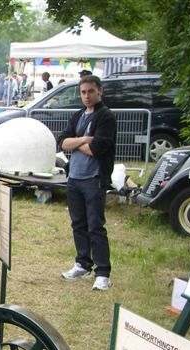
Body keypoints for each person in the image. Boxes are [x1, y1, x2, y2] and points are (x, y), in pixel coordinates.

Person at [58, 75, 116, 291]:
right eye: (83, 92)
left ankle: (103, 273)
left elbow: (96, 148)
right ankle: (83, 264)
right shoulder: (79, 115)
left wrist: (76, 142)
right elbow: (62, 142)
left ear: (99, 91)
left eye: (91, 91)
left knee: (95, 226)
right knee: (78, 224)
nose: (87, 96)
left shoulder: (106, 117)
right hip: (74, 178)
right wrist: (83, 138)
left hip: (94, 179)